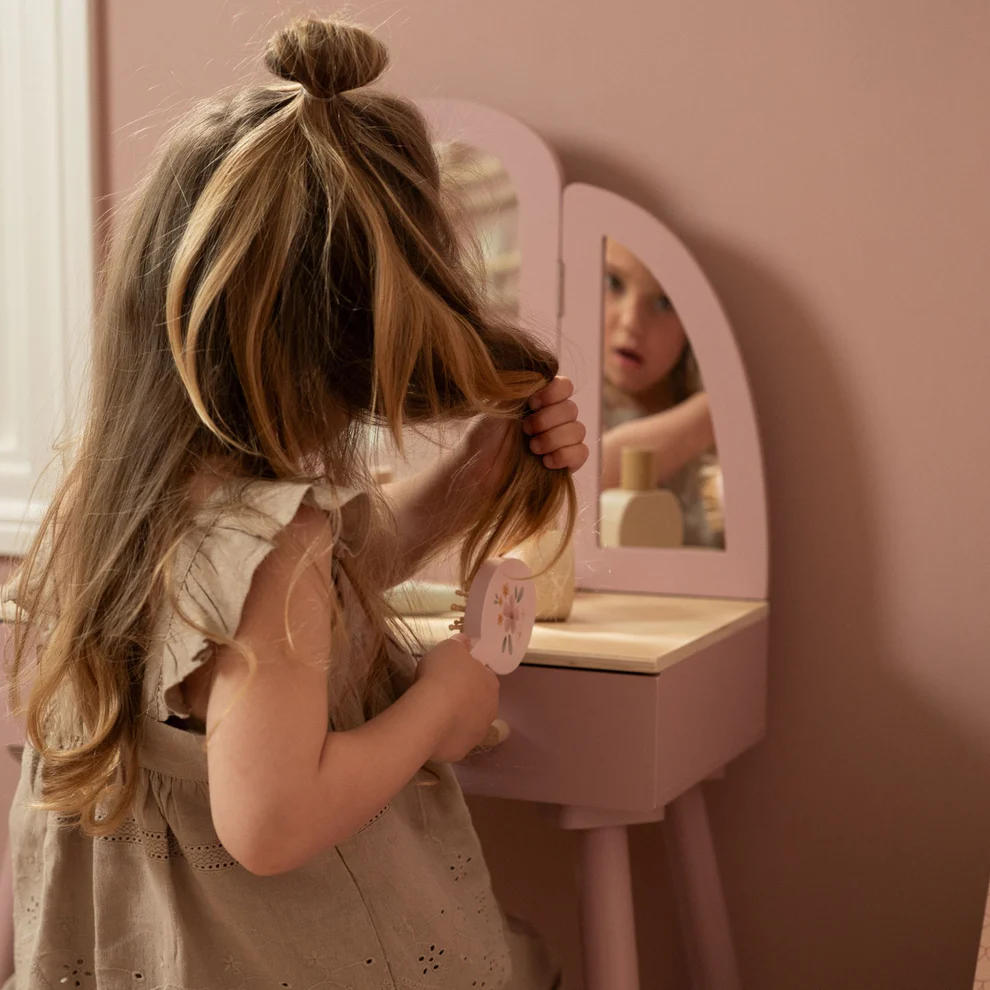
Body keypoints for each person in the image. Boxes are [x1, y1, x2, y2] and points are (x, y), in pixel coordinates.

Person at [0, 17, 588, 988]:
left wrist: (469, 484)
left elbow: (273, 631)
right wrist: (442, 704)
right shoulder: (280, 547)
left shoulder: (111, 512)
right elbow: (272, 821)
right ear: (364, 330)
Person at [599, 237, 724, 547]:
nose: (631, 323)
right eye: (613, 282)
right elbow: (584, 478)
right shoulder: (569, 403)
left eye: (665, 303)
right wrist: (719, 409)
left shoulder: (712, 445)